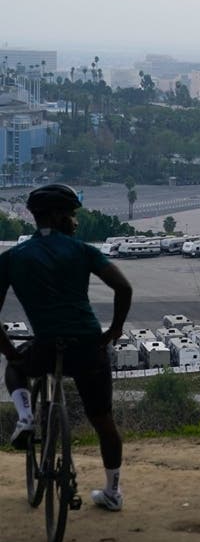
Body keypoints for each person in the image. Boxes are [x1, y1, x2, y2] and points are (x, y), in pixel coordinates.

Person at [0, 184, 133, 511]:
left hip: (46, 345)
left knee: (16, 369)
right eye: (72, 216)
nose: (75, 222)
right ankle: (112, 492)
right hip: (88, 346)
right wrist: (115, 328)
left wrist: (9, 351)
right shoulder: (82, 250)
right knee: (104, 421)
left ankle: (26, 418)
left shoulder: (13, 258)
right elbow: (123, 287)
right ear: (58, 217)